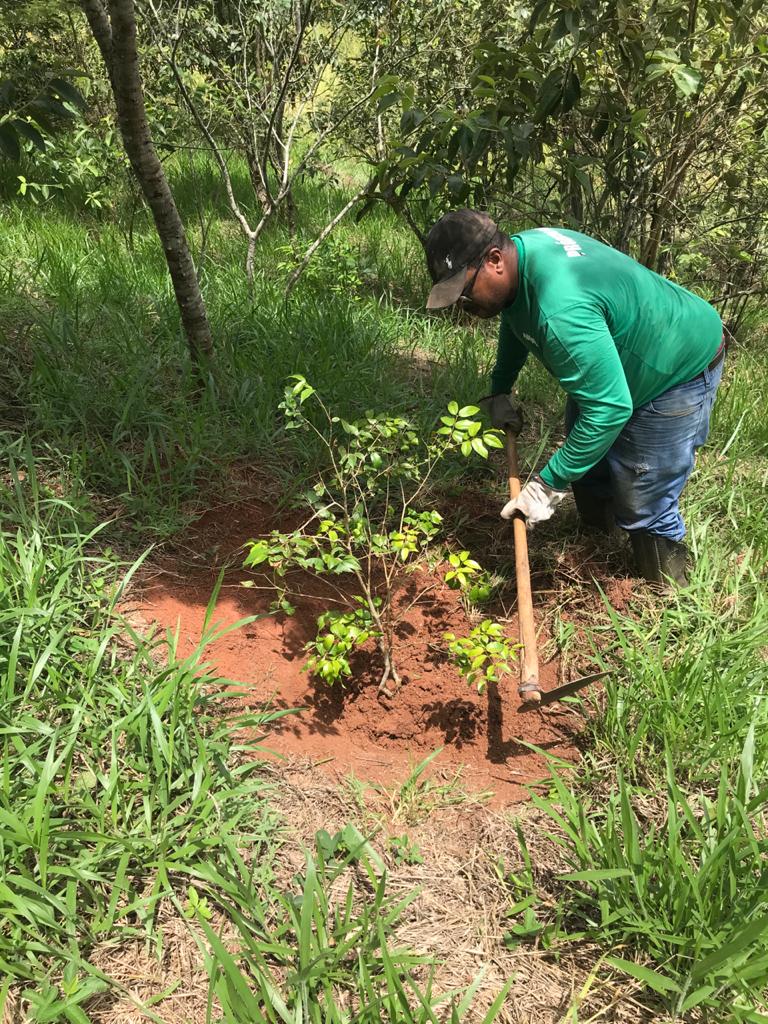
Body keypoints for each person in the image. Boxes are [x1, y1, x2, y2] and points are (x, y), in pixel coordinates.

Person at [424, 209, 725, 585]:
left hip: (677, 366)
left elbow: (609, 409)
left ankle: (671, 589)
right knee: (589, 464)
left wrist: (546, 486)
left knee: (644, 493)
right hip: (622, 352)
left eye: (465, 292)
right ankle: (599, 544)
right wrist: (500, 387)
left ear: (495, 260)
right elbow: (516, 317)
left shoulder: (561, 309)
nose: (465, 305)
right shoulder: (523, 256)